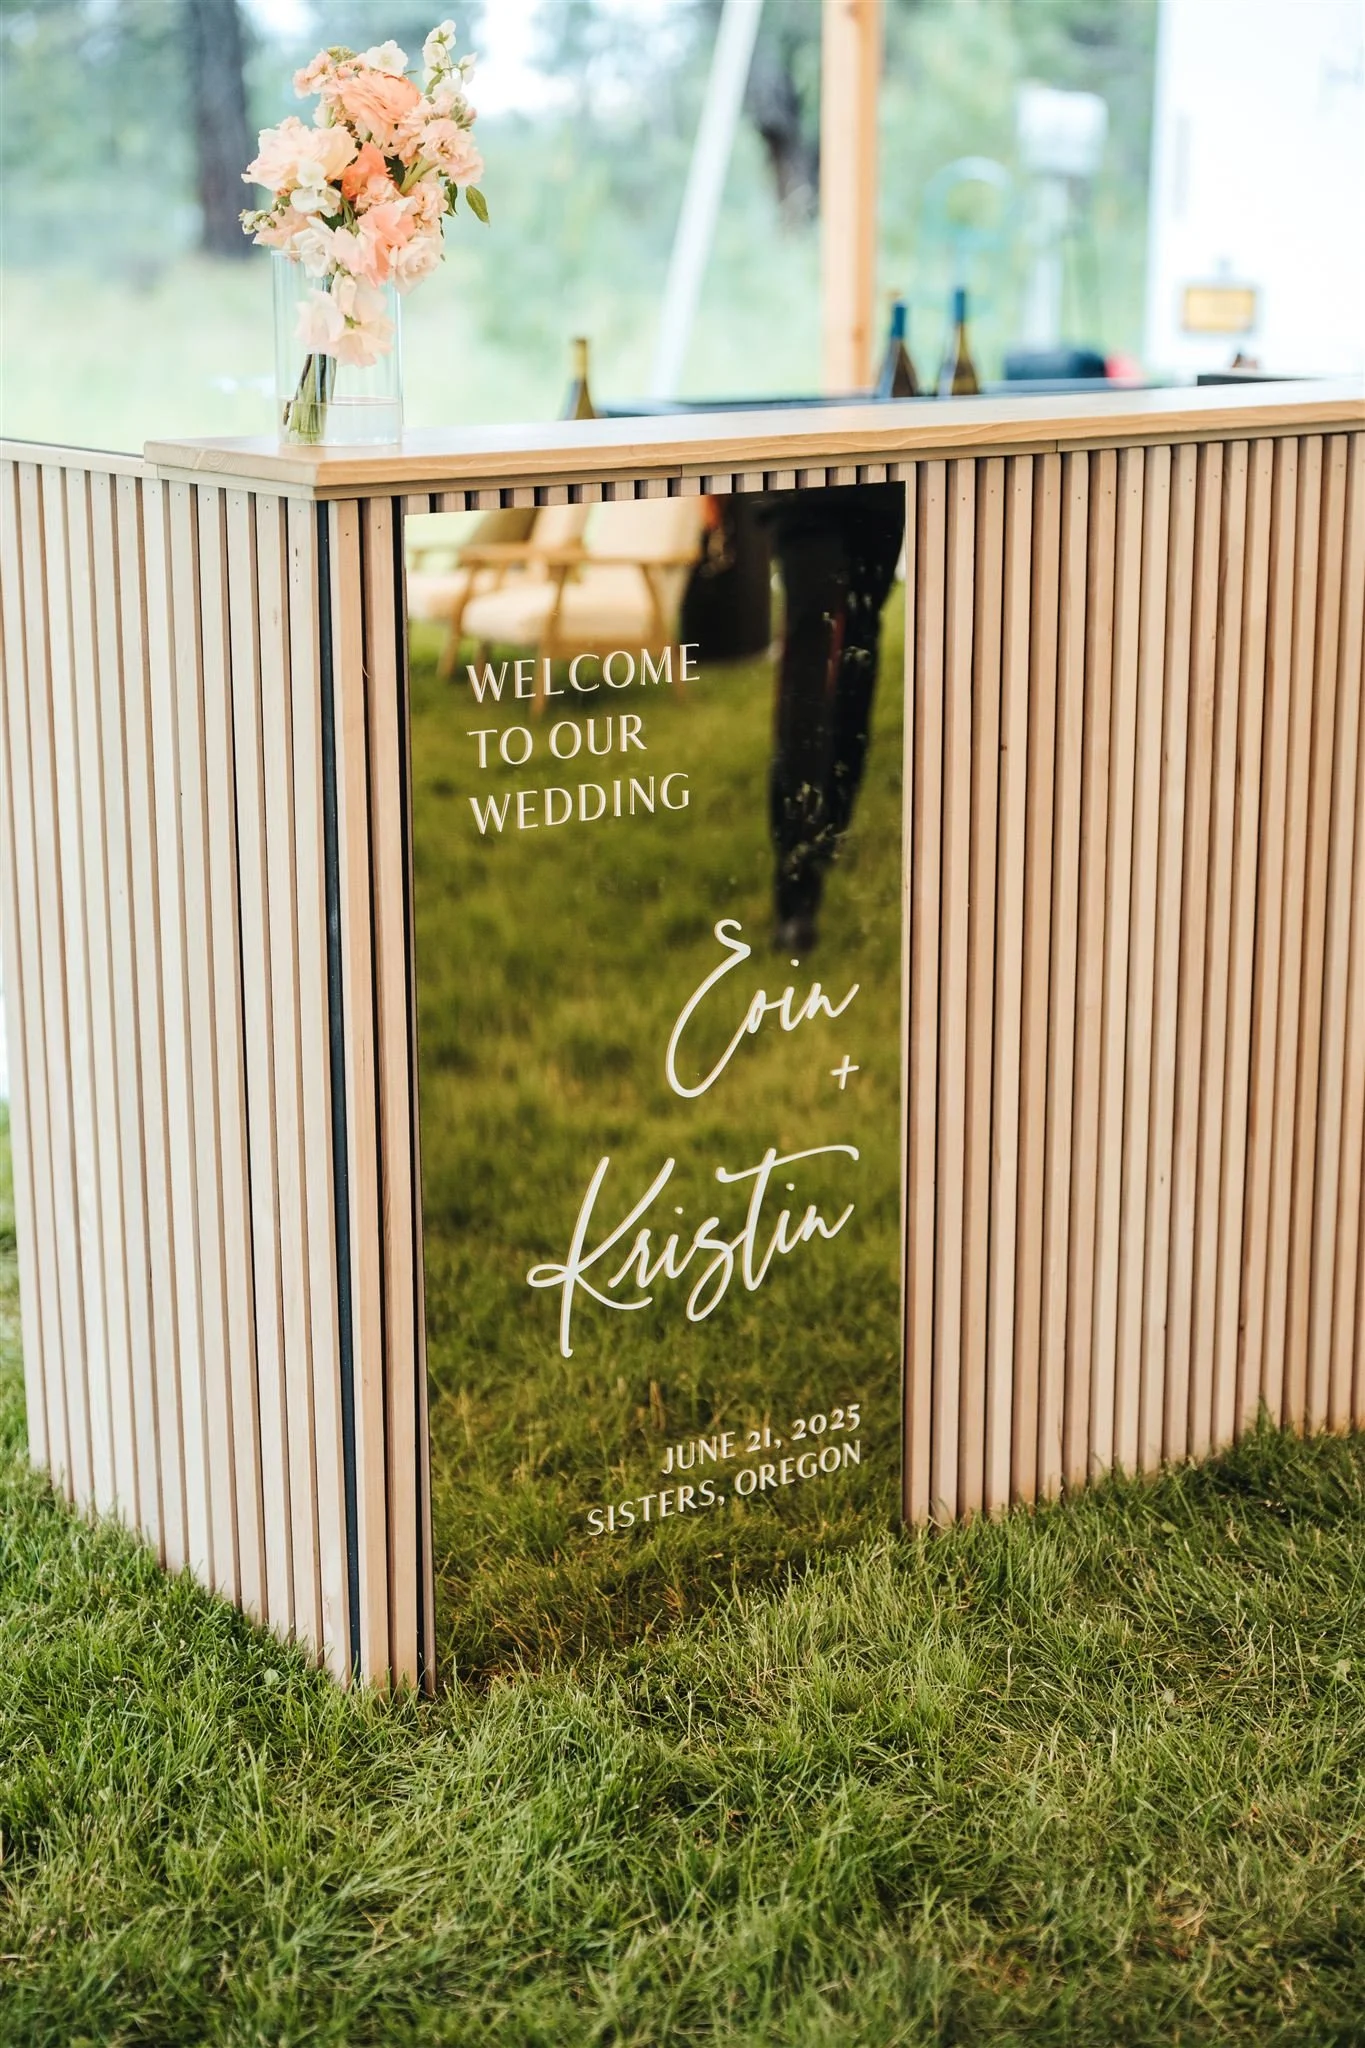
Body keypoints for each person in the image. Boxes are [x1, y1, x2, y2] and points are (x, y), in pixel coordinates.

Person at [763, 482, 905, 951]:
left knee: (829, 653)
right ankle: (814, 851)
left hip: (831, 481)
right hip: (852, 481)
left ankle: (809, 862)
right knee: (845, 649)